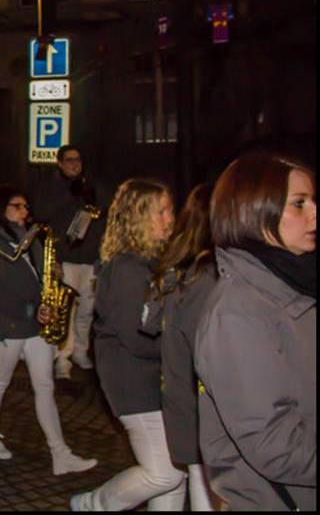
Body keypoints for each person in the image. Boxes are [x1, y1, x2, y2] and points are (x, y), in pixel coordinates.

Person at [195, 153, 316, 511]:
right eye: (299, 204)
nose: (314, 213)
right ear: (255, 211)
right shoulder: (238, 312)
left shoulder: (293, 286)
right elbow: (273, 443)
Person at [70, 178, 185, 511]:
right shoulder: (126, 269)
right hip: (133, 381)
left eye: (170, 210)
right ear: (137, 218)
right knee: (164, 473)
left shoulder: (150, 262)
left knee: (176, 474)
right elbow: (136, 337)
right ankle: (94, 504)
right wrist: (180, 347)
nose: (170, 219)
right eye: (161, 212)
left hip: (154, 377)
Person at [0, 185, 98, 476]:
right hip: (10, 323)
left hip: (36, 323)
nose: (24, 211)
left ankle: (60, 453)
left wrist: (52, 277)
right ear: (1, 209)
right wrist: (31, 308)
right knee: (0, 380)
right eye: (17, 206)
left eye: (25, 206)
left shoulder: (31, 238)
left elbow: (37, 276)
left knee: (44, 386)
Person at [137, 182, 217, 511]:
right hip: (200, 404)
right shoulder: (205, 277)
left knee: (197, 479)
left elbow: (148, 321)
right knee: (199, 482)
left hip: (183, 399)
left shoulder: (176, 270)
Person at [29, 145, 110, 379]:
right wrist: (69, 195)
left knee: (86, 309)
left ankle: (80, 351)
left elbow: (101, 212)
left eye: (78, 160)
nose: (75, 164)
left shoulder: (89, 185)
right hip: (66, 258)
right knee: (66, 310)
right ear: (60, 163)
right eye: (70, 160)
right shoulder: (51, 186)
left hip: (90, 257)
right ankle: (62, 359)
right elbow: (42, 213)